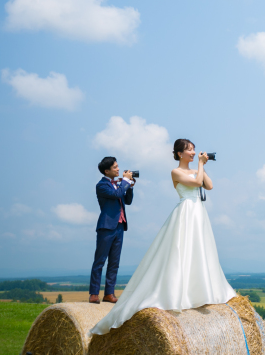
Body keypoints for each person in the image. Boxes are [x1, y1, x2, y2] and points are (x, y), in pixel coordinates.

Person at [91, 139, 236, 335]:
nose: (194, 153)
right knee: (179, 251)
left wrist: (201, 167)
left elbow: (208, 186)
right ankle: (97, 294)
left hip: (199, 214)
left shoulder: (197, 170)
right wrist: (200, 167)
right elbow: (195, 183)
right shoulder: (175, 172)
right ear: (179, 154)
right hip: (186, 212)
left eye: (194, 150)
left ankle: (200, 290)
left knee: (200, 250)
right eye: (190, 150)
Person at [89, 156, 135, 304]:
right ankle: (94, 294)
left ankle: (109, 293)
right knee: (100, 261)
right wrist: (125, 182)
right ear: (106, 171)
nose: (118, 169)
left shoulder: (119, 185)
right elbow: (116, 195)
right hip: (106, 227)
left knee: (114, 262)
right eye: (115, 167)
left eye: (117, 166)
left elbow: (127, 201)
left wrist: (130, 186)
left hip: (120, 226)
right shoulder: (101, 185)